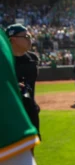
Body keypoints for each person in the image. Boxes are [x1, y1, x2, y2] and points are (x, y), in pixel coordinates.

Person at [0, 29, 40, 165]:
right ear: (13, 39)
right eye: (25, 36)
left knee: (29, 150)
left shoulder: (32, 59)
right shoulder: (6, 59)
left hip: (29, 110)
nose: (29, 39)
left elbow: (28, 85)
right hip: (9, 115)